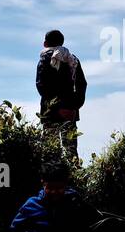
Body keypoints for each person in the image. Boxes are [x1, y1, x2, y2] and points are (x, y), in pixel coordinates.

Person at [36, 30, 87, 161]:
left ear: (45, 43)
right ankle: (74, 181)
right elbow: (81, 84)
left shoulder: (45, 58)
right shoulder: (72, 59)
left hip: (50, 113)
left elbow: (42, 86)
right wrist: (73, 108)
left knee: (50, 152)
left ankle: (51, 181)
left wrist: (58, 107)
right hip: (70, 113)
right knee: (71, 153)